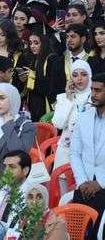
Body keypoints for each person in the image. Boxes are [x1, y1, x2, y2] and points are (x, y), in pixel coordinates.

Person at [70, 72, 105, 233]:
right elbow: (75, 153)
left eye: (98, 90)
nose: (93, 94)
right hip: (84, 185)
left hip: (103, 186)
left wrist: (100, 183)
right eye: (92, 90)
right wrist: (83, 181)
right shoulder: (84, 117)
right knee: (77, 231)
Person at [52, 59, 92, 168]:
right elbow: (58, 124)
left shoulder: (96, 98)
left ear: (90, 76)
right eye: (75, 75)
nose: (79, 78)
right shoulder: (64, 98)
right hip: (66, 150)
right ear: (71, 79)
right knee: (62, 181)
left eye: (83, 74)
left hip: (89, 151)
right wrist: (68, 99)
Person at [0, 150, 32, 229]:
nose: (6, 171)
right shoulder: (3, 190)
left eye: (12, 167)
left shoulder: (31, 195)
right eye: (5, 166)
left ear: (25, 170)